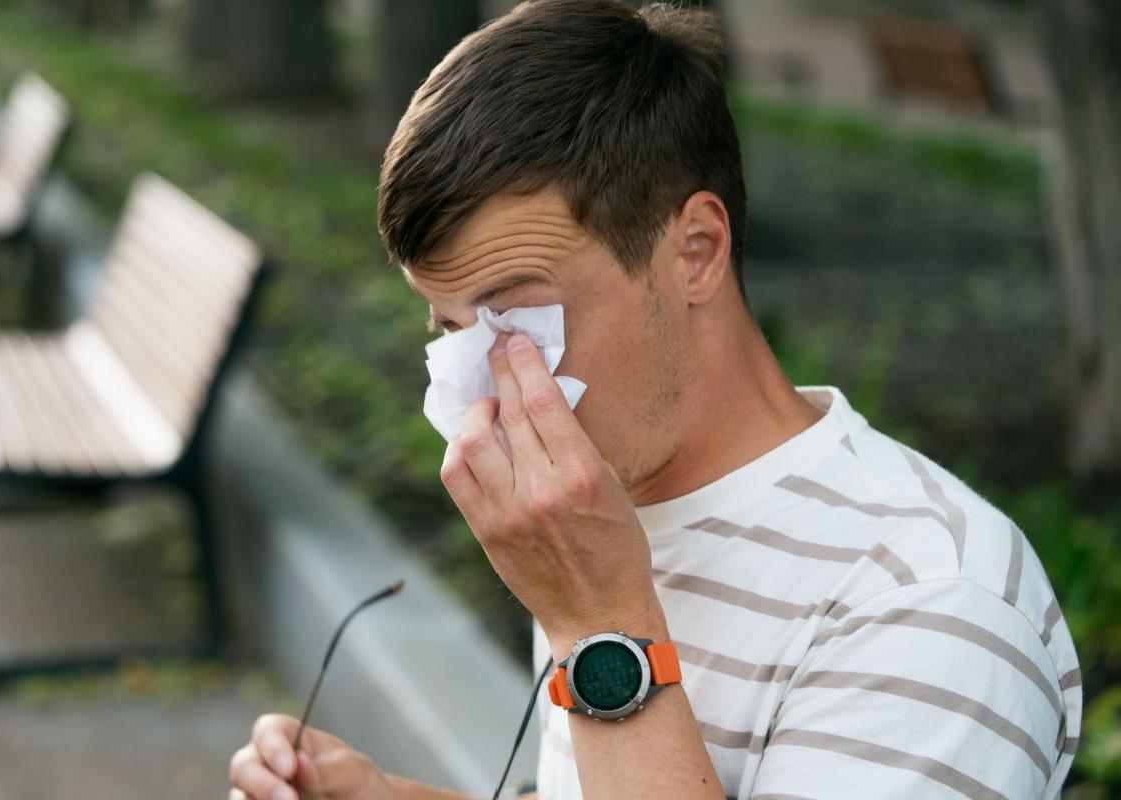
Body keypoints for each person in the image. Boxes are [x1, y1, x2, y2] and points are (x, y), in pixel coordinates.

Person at [228, 1, 1082, 798]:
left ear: (699, 251)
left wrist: (605, 631)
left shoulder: (930, 608)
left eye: (517, 315)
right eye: (450, 329)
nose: (479, 386)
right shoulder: (606, 509)